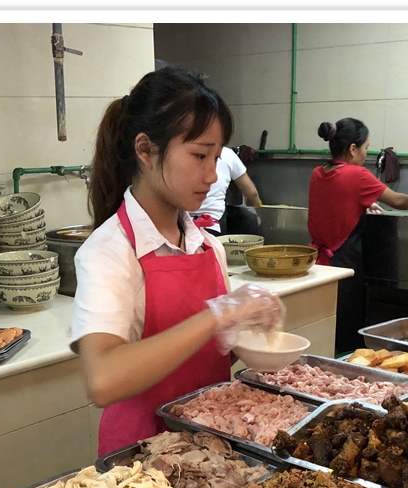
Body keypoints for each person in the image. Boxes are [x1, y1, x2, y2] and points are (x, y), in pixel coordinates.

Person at [70, 66, 285, 456]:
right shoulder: (110, 251)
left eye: (217, 158)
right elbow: (103, 380)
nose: (211, 175)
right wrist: (216, 315)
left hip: (212, 447)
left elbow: (204, 350)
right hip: (140, 458)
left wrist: (250, 330)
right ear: (144, 150)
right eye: (200, 155)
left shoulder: (206, 245)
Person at [308, 117, 408, 354]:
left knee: (326, 325)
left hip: (319, 265)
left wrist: (362, 205)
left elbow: (335, 204)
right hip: (345, 265)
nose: (366, 154)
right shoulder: (357, 174)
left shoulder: (317, 173)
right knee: (347, 328)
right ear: (353, 149)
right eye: (365, 148)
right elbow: (396, 200)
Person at [189, 146, 262, 235]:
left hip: (180, 225)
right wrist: (256, 212)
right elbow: (252, 193)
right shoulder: (227, 154)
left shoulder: (183, 153)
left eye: (216, 159)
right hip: (214, 227)